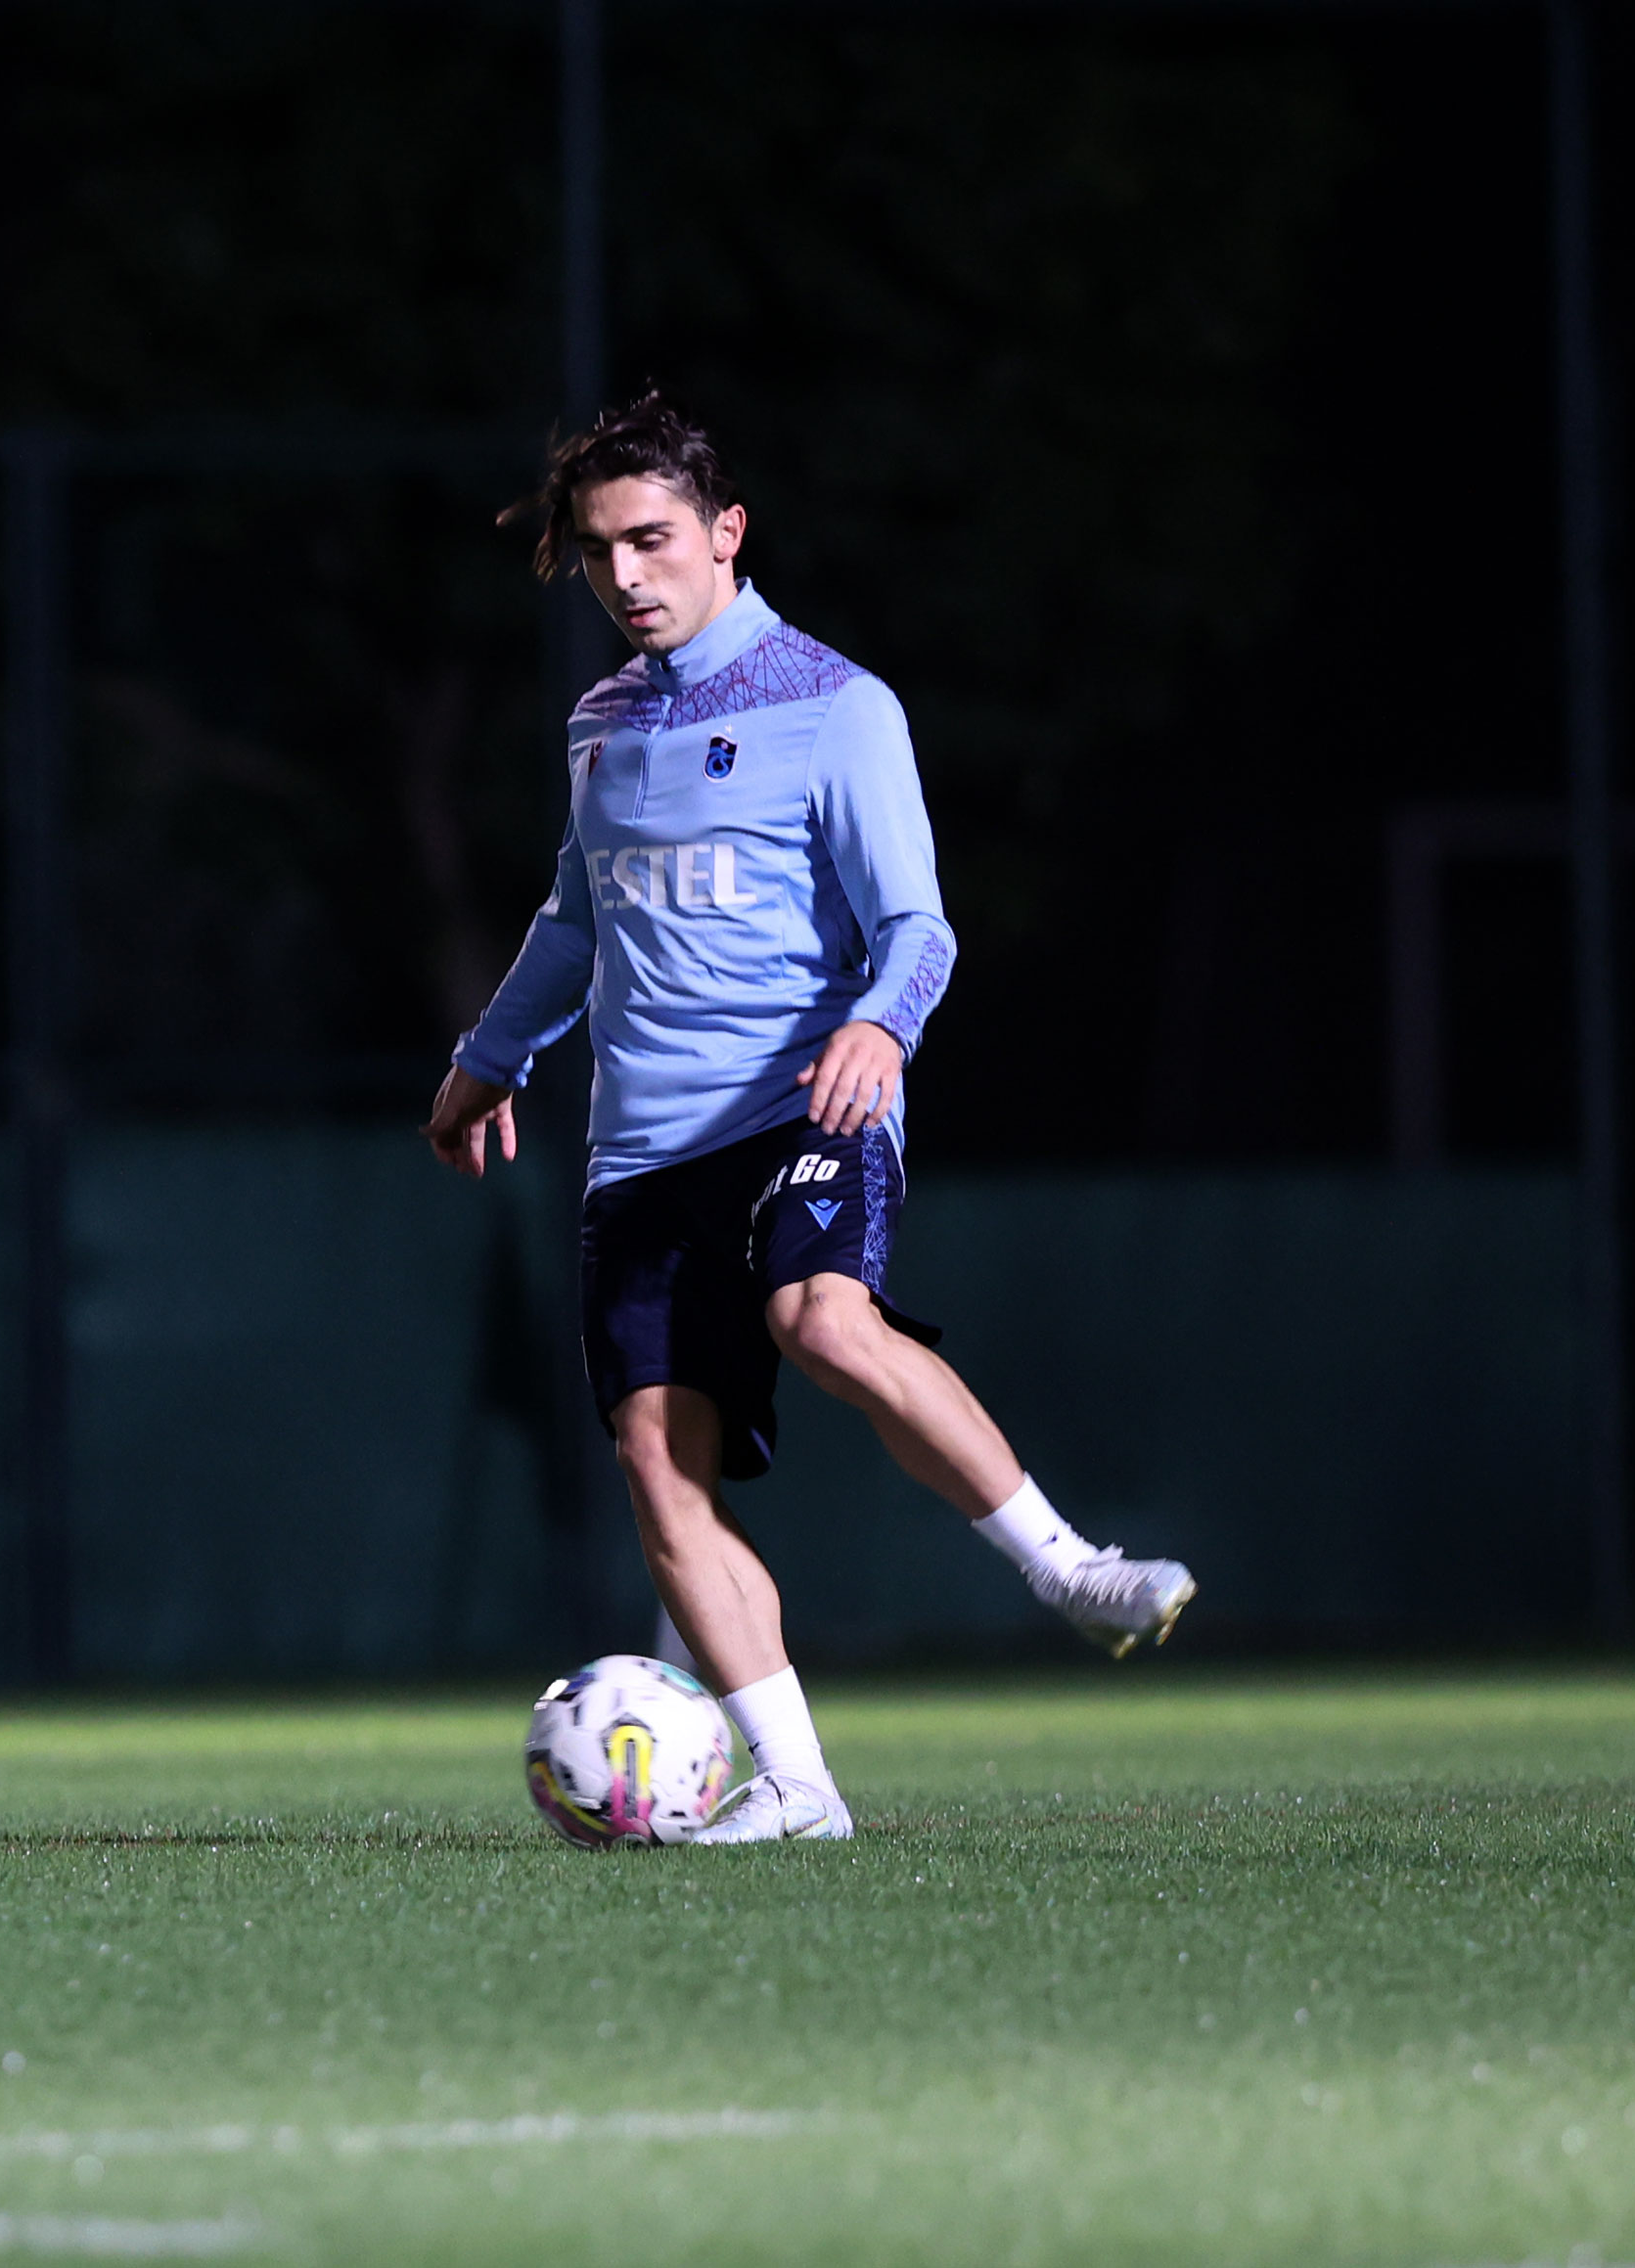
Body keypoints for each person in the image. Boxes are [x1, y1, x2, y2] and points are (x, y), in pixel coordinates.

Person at [425, 392, 1194, 1843]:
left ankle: (1068, 1568)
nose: (626, 575)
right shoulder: (601, 724)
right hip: (641, 1155)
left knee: (822, 1321)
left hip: (801, 1108)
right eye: (598, 552)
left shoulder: (837, 706)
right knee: (660, 1470)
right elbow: (576, 922)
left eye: (652, 540)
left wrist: (877, 1025)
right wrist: (490, 1059)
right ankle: (798, 1787)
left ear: (727, 532)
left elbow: (919, 926)